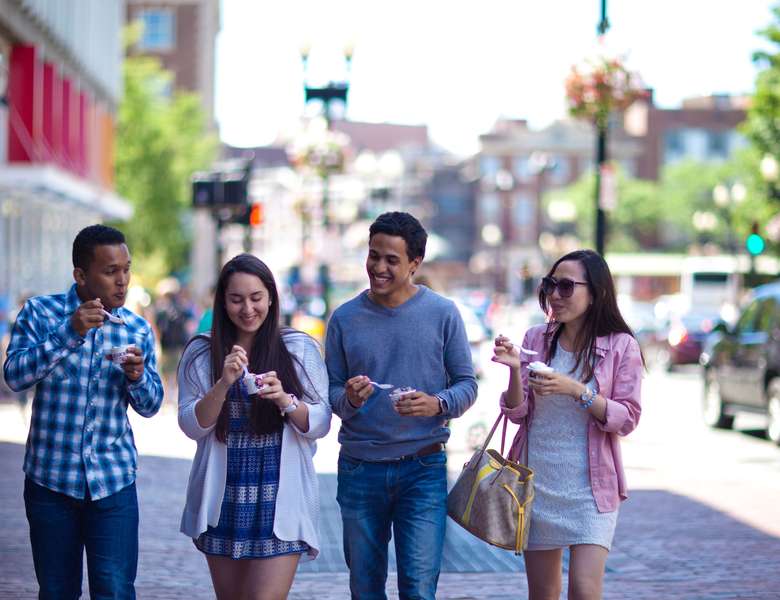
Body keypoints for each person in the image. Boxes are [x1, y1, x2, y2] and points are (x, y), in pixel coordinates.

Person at [3, 224, 163, 599]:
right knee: (57, 591)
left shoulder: (137, 329)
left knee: (114, 589)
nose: (122, 281)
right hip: (50, 481)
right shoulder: (41, 314)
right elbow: (14, 376)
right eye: (110, 271)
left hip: (113, 482)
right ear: (80, 275)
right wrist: (69, 332)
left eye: (126, 269)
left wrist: (138, 377)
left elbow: (152, 405)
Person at [325, 212, 478, 600]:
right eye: (374, 255)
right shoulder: (344, 318)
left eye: (392, 260)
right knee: (365, 588)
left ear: (415, 263)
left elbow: (467, 384)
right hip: (360, 469)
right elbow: (331, 393)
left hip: (423, 469)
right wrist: (350, 399)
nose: (378, 267)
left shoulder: (443, 314)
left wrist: (437, 404)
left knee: (418, 589)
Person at [177, 253, 331, 599]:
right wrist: (223, 383)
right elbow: (191, 425)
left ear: (271, 298)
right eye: (236, 299)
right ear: (222, 302)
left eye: (256, 298)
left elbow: (320, 422)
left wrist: (286, 401)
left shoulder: (298, 348)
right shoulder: (202, 353)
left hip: (280, 500)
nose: (247, 308)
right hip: (224, 498)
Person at [492, 249, 643, 600]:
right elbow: (517, 413)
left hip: (591, 490)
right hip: (538, 485)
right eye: (550, 285)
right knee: (542, 593)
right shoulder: (536, 339)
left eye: (566, 286)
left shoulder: (622, 346)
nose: (555, 295)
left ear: (596, 293)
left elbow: (628, 417)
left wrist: (577, 390)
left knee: (584, 590)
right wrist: (515, 369)